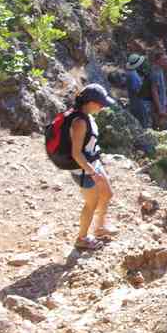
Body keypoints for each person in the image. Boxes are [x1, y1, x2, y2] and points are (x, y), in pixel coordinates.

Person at [68, 84, 118, 251]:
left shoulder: (87, 116)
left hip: (92, 164)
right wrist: (92, 172)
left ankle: (100, 227)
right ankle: (81, 239)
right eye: (100, 103)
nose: (102, 107)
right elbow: (76, 154)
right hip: (82, 170)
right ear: (89, 102)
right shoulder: (79, 122)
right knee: (92, 204)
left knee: (107, 193)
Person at [125, 53, 160, 128]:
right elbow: (136, 90)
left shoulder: (132, 73)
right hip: (139, 104)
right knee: (143, 123)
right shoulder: (132, 75)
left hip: (136, 102)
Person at [150, 52, 167, 126]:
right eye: (164, 59)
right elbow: (154, 91)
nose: (166, 61)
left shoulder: (160, 69)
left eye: (166, 59)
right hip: (159, 104)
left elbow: (161, 87)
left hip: (163, 101)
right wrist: (159, 108)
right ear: (157, 61)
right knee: (161, 124)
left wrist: (166, 100)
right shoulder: (155, 73)